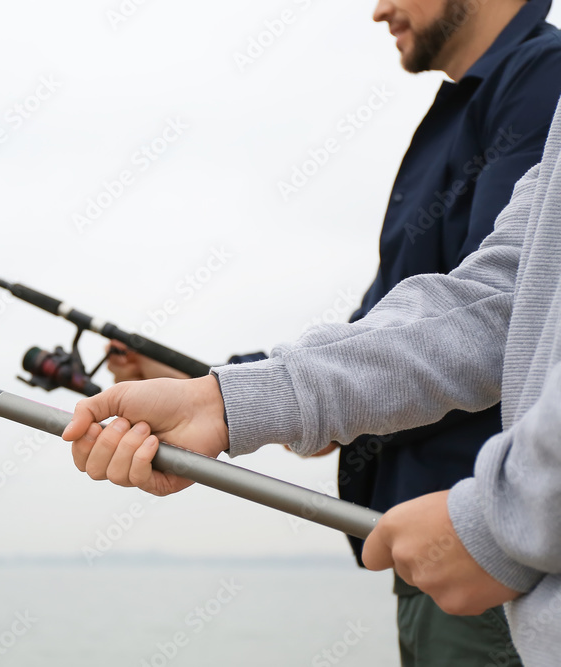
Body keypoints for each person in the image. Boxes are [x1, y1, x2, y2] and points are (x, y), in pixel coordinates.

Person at [108, 0, 561, 662]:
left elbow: (507, 325)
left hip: (486, 557)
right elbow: (490, 302)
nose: (378, 9)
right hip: (450, 551)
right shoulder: (474, 114)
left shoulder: (541, 78)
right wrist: (225, 396)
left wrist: (502, 523)